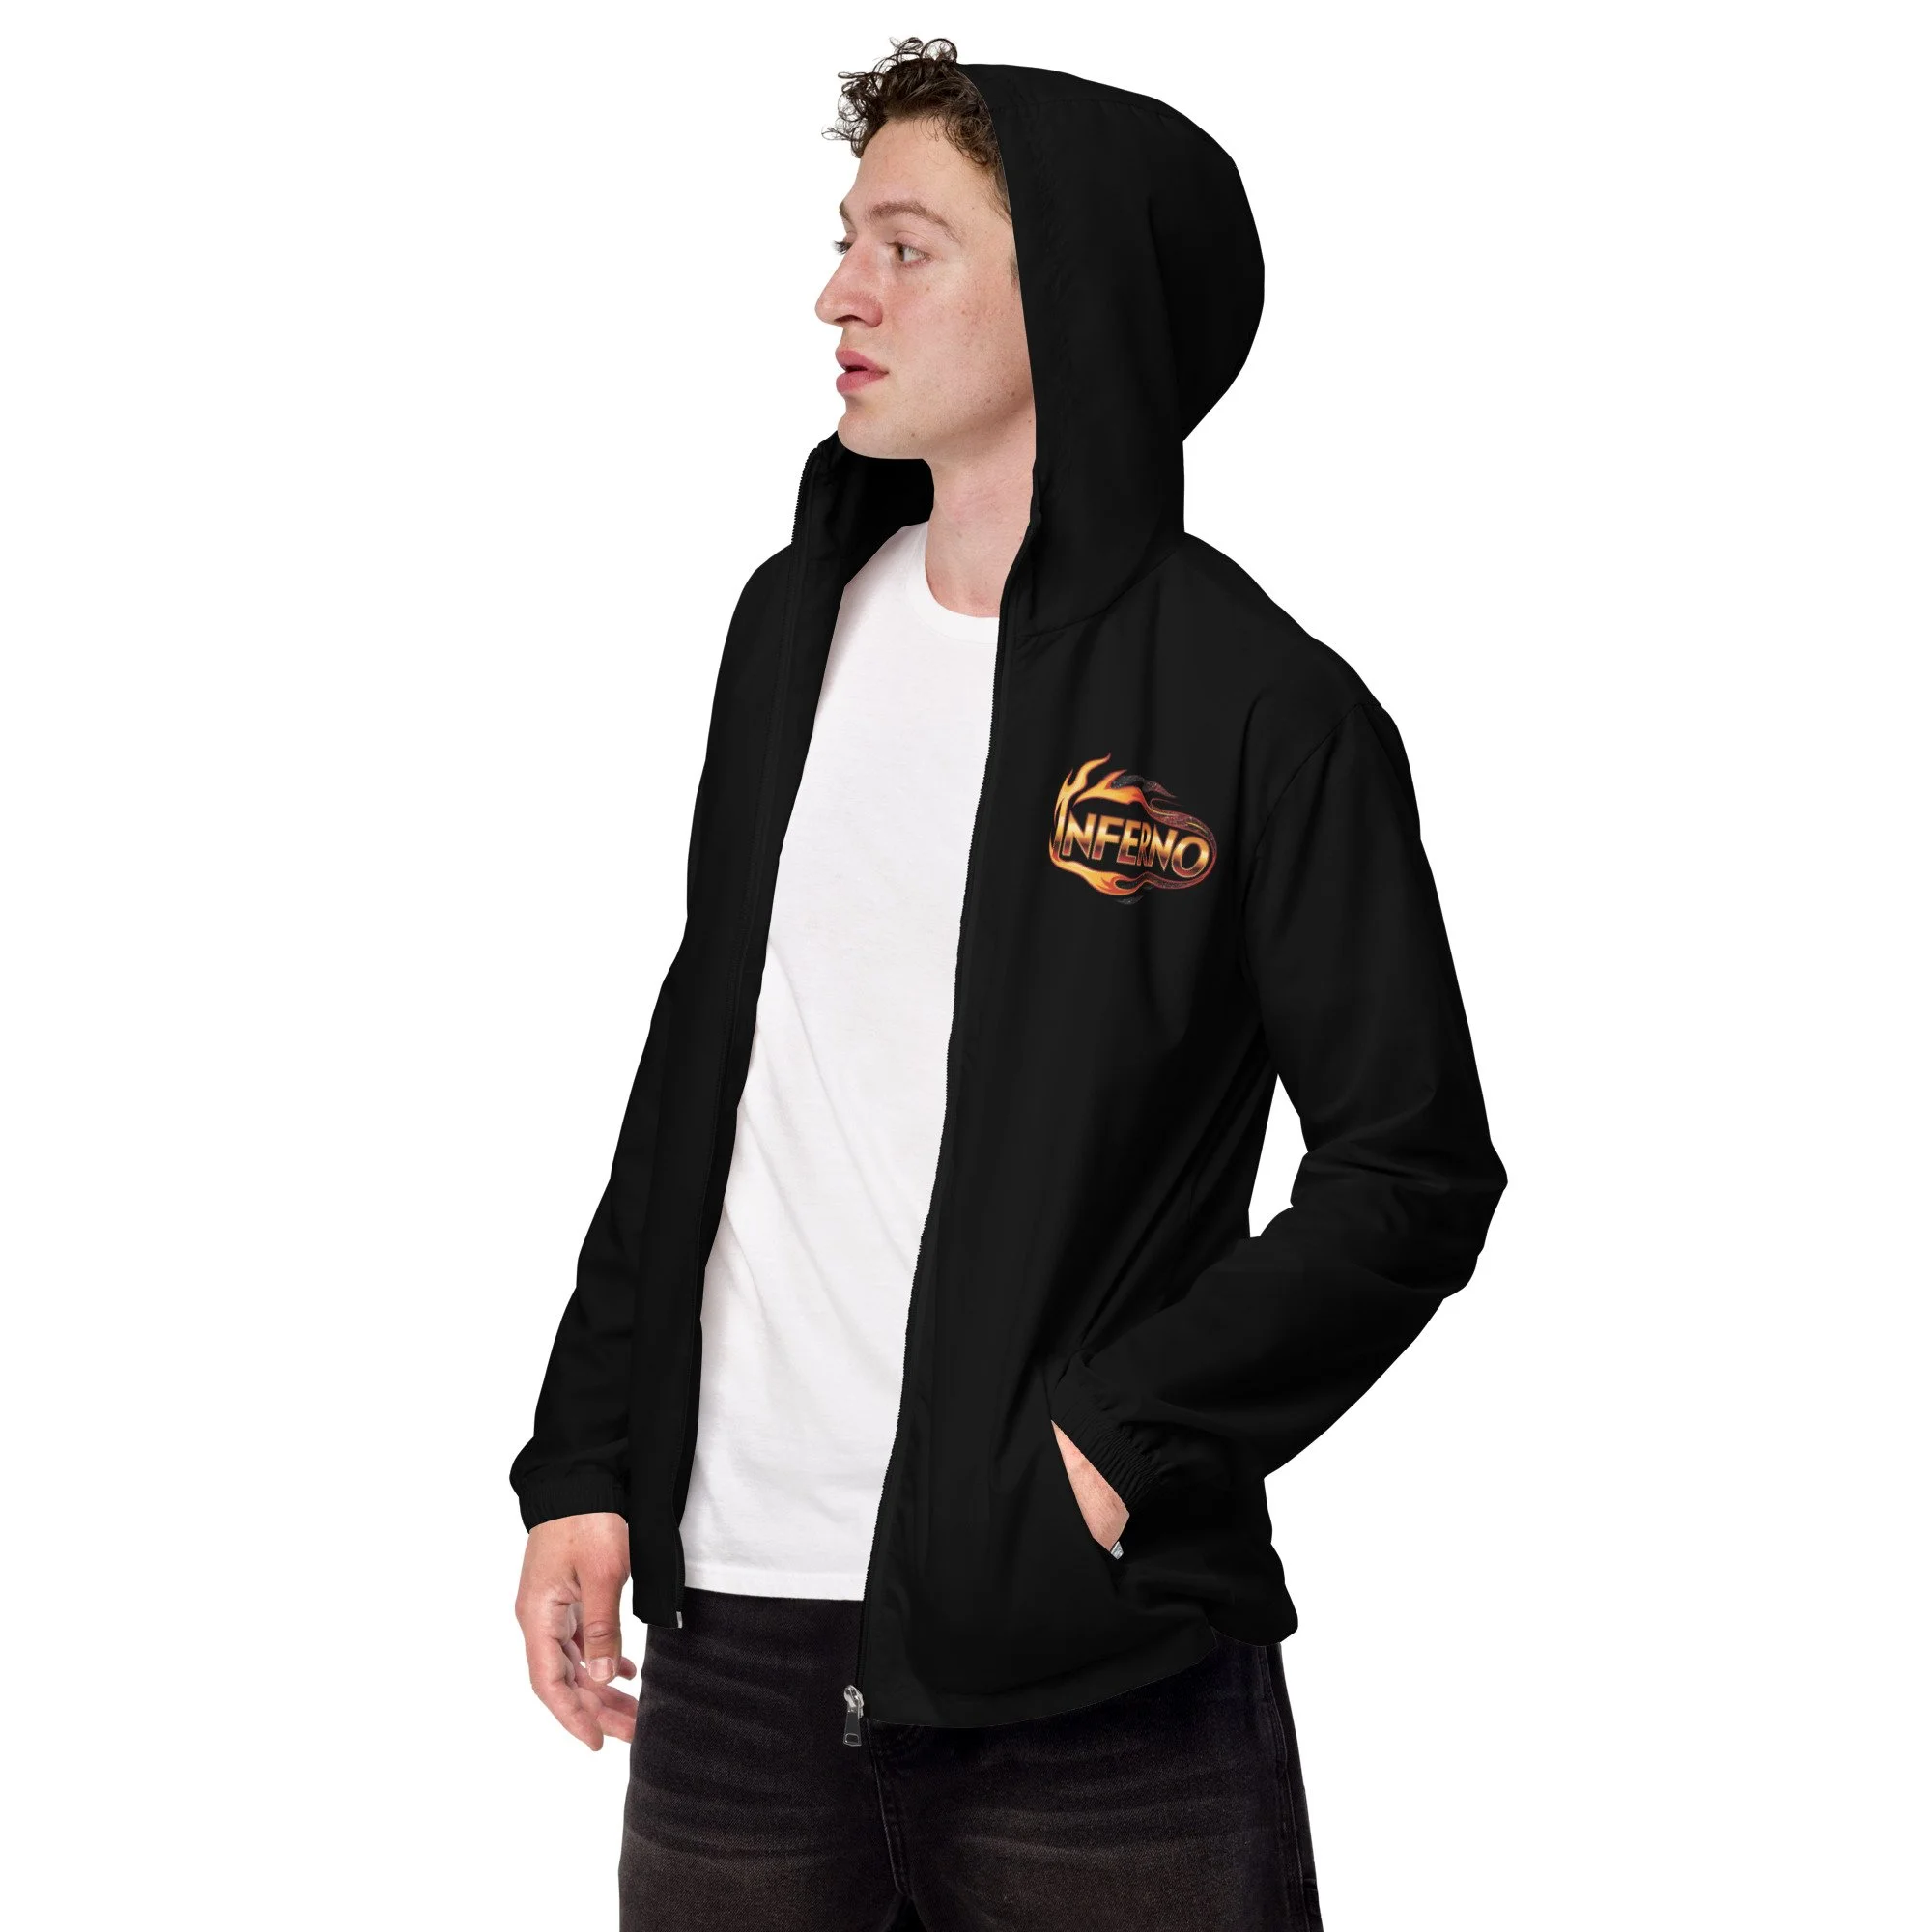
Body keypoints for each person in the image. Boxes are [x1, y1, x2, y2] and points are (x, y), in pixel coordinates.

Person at [510, 39, 1505, 1930]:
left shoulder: (1258, 710)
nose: (839, 294)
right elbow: (702, 1070)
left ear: (1077, 295)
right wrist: (584, 1459)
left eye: (907, 248)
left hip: (1090, 1662)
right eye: (843, 240)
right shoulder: (790, 628)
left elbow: (1410, 1168)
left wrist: (1114, 1447)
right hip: (735, 1643)